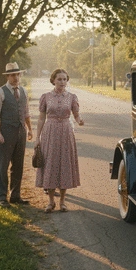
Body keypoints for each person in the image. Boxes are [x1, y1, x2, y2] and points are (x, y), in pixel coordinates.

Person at [35, 68, 84, 213]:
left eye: (64, 79)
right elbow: (41, 118)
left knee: (64, 164)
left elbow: (76, 115)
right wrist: (37, 138)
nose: (62, 82)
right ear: (53, 81)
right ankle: (50, 202)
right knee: (50, 164)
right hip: (50, 132)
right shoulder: (46, 97)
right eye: (59, 79)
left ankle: (62, 201)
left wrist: (80, 120)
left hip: (65, 131)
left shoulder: (72, 97)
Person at [0, 62, 33, 208]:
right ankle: (2, 197)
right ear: (7, 76)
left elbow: (26, 112)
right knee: (3, 165)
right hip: (6, 131)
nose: (15, 77)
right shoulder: (0, 92)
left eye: (17, 74)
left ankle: (15, 195)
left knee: (18, 165)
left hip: (21, 131)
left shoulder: (24, 91)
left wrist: (30, 129)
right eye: (12, 75)